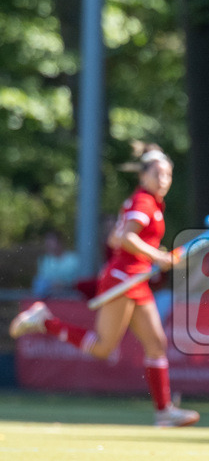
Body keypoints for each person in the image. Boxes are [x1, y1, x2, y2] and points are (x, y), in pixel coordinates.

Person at [9, 142, 199, 428]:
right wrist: (158, 255)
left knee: (156, 343)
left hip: (136, 280)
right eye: (158, 174)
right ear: (143, 175)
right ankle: (45, 322)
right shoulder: (144, 201)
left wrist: (155, 254)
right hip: (123, 280)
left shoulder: (149, 203)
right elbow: (123, 240)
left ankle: (164, 411)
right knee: (102, 348)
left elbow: (116, 239)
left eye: (168, 175)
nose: (164, 180)